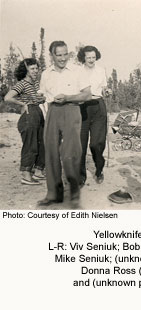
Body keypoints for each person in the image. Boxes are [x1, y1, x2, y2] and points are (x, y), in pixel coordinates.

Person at [38, 40, 91, 207]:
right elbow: (43, 93)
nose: (62, 58)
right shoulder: (46, 73)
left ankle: (74, 195)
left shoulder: (77, 71)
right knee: (51, 151)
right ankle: (54, 193)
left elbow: (87, 95)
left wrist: (68, 97)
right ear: (52, 55)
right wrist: (40, 97)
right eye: (58, 55)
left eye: (65, 54)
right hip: (52, 110)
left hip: (71, 110)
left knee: (71, 153)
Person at [4, 58, 46, 185]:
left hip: (38, 113)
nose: (35, 71)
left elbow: (39, 99)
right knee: (30, 145)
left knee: (42, 143)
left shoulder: (35, 84)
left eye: (37, 68)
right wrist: (23, 103)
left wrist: (41, 98)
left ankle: (38, 171)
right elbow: (7, 97)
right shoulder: (22, 83)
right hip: (29, 116)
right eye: (32, 69)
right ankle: (26, 175)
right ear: (26, 70)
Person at [77, 45, 110, 186]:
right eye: (88, 57)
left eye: (93, 57)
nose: (91, 60)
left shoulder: (101, 70)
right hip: (81, 107)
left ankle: (99, 170)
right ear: (83, 58)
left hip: (98, 106)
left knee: (97, 143)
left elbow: (104, 88)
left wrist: (107, 91)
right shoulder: (77, 71)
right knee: (80, 145)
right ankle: (80, 176)